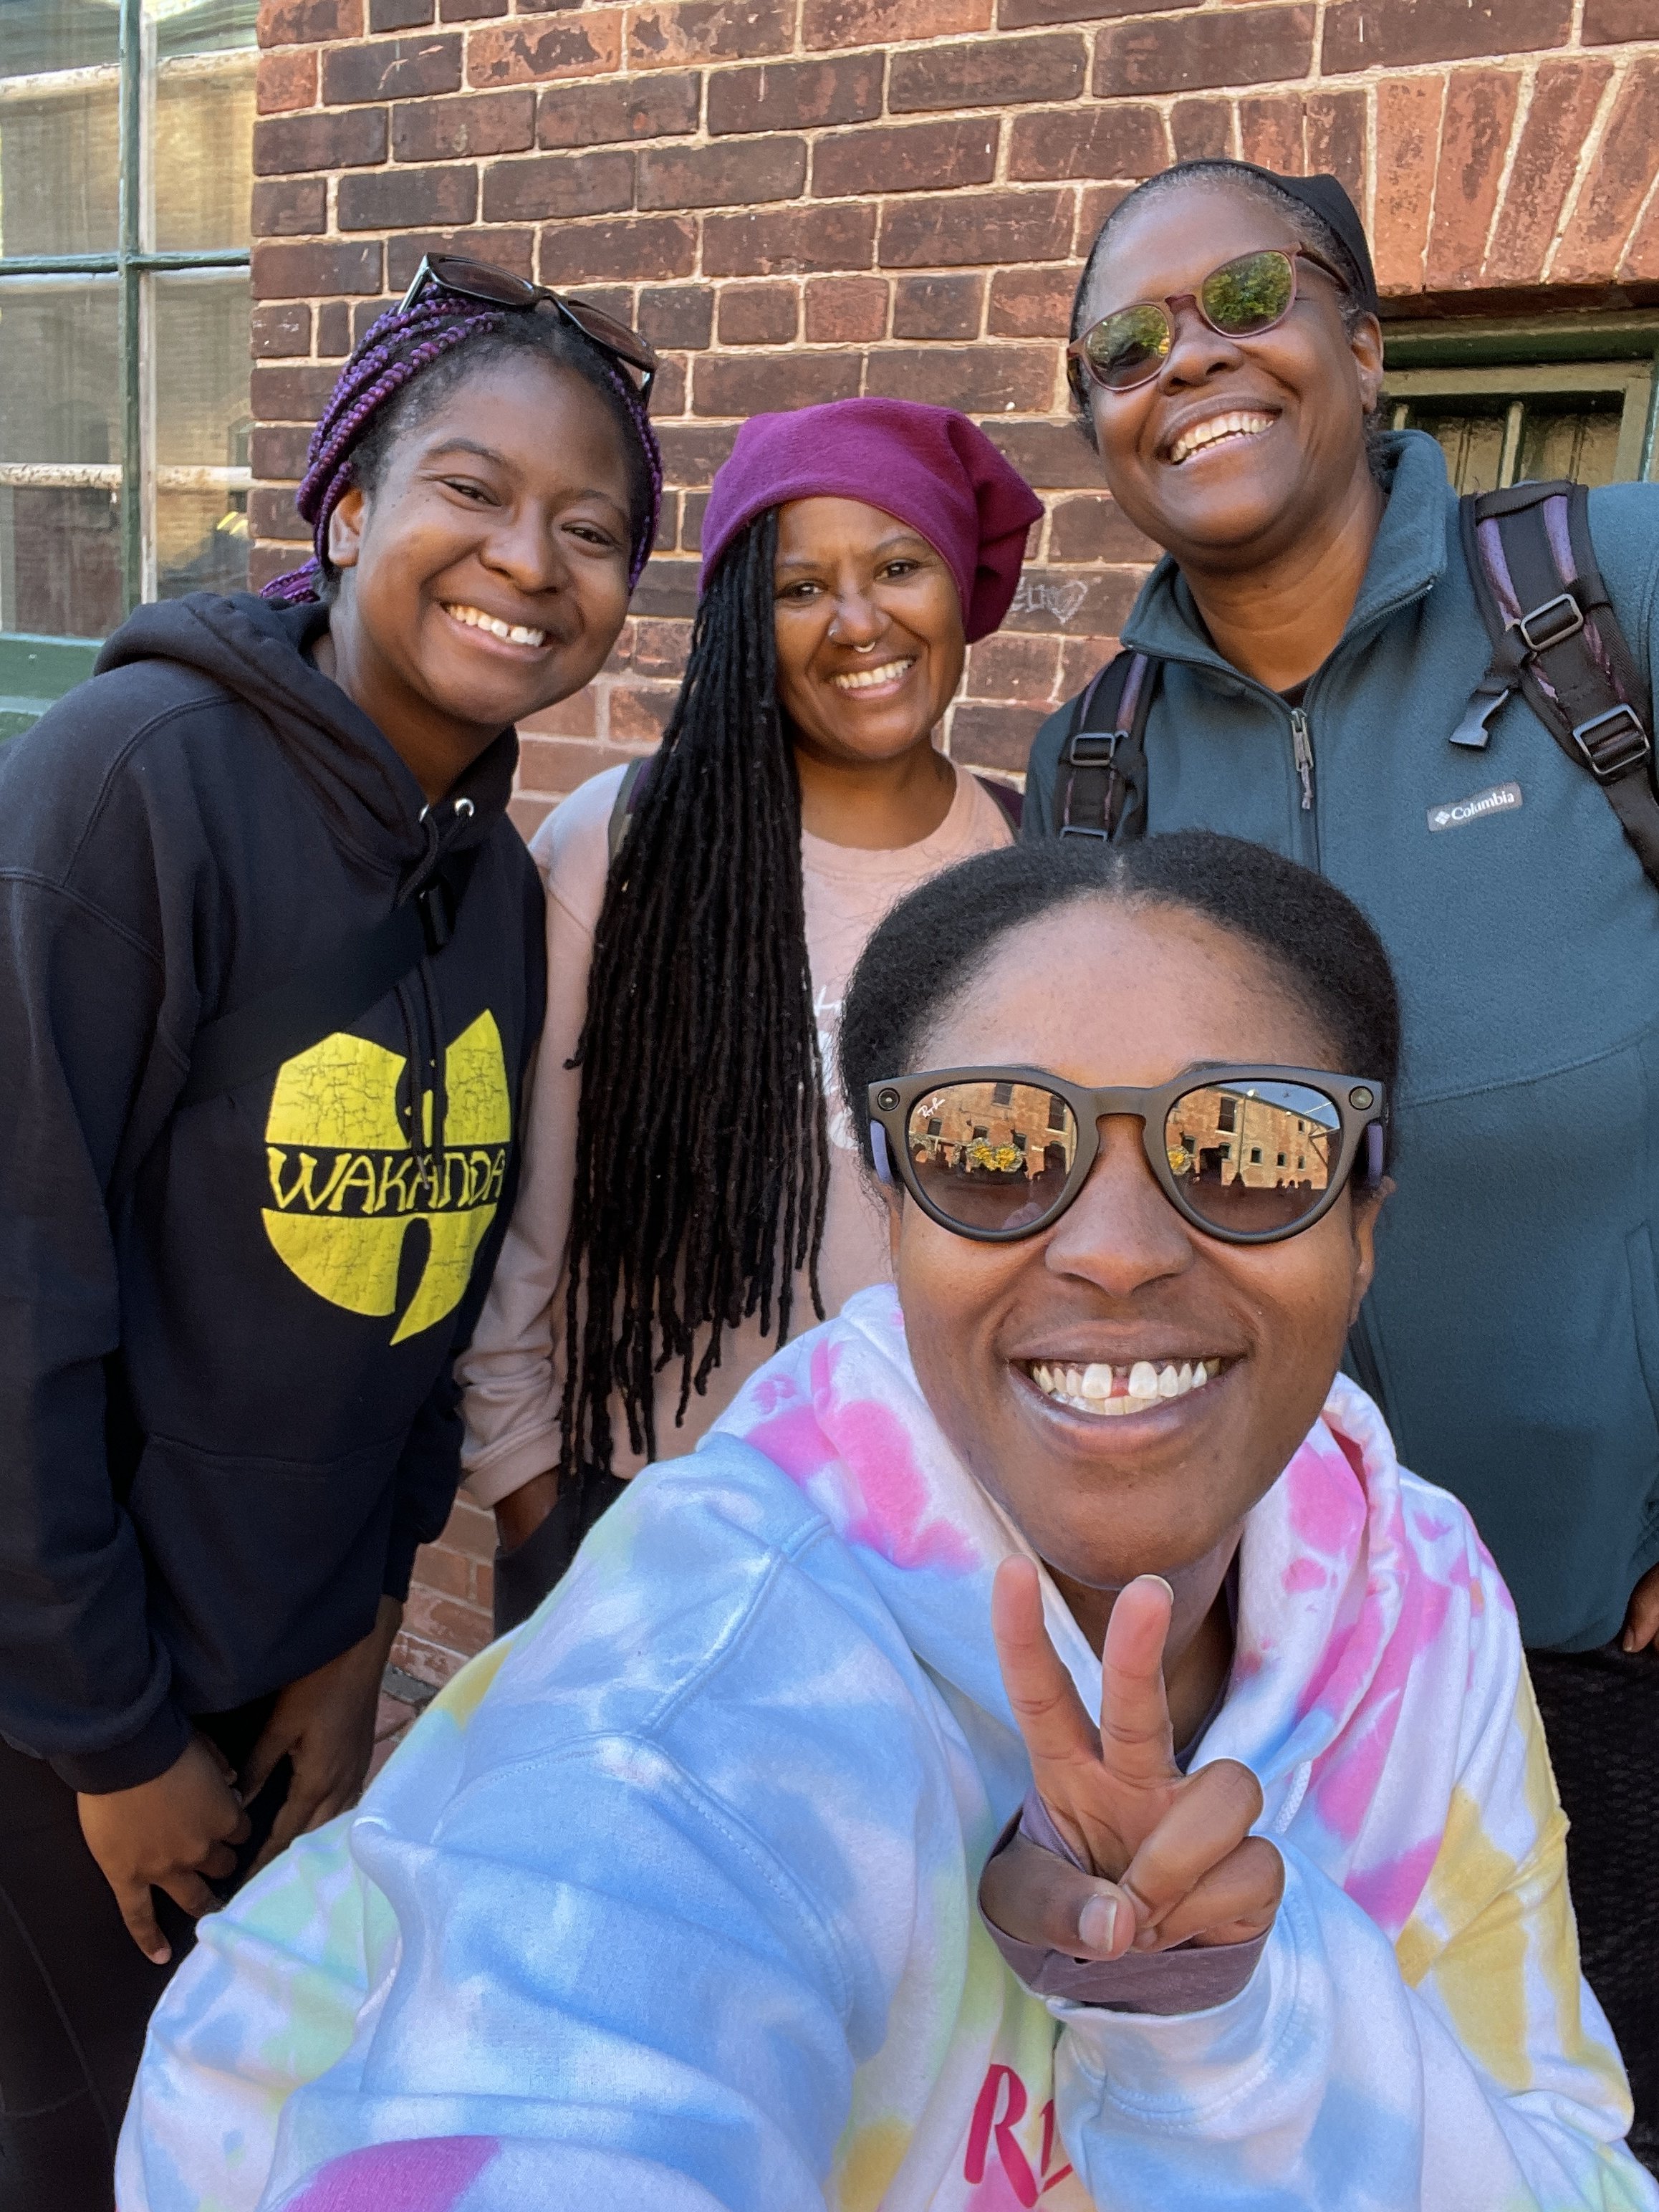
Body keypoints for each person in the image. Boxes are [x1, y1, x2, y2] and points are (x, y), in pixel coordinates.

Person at [120, 834, 1655, 2212]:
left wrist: (1228, 2009)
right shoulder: (706, 1674)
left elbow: (1573, 2164)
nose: (1116, 1251)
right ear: (893, 1200)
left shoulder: (1416, 1584)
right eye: (998, 1149)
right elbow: (557, 2044)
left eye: (1242, 1148)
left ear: (1364, 1222)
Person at [0, 254, 660, 2209]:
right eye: (471, 491)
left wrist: (354, 1643)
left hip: (276, 1693)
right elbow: (19, 1307)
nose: (528, 559)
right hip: (61, 1720)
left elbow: (417, 1317)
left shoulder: (477, 872)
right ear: (348, 501)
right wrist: (114, 1742)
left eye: (592, 527)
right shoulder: (129, 789)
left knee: (233, 2138)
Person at [1021, 158, 1659, 2166]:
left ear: (1362, 345)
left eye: (1241, 299)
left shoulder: (1606, 605)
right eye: (1123, 346)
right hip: (1275, 1683)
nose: (1184, 361)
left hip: (1609, 1645)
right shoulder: (1094, 763)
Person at [458, 396, 1042, 1627]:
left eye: (899, 566)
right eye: (799, 589)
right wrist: (535, 1506)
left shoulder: (1032, 865)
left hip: (945, 1552)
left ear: (957, 590)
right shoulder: (623, 847)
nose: (859, 621)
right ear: (739, 626)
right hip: (644, 1526)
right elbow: (524, 1225)